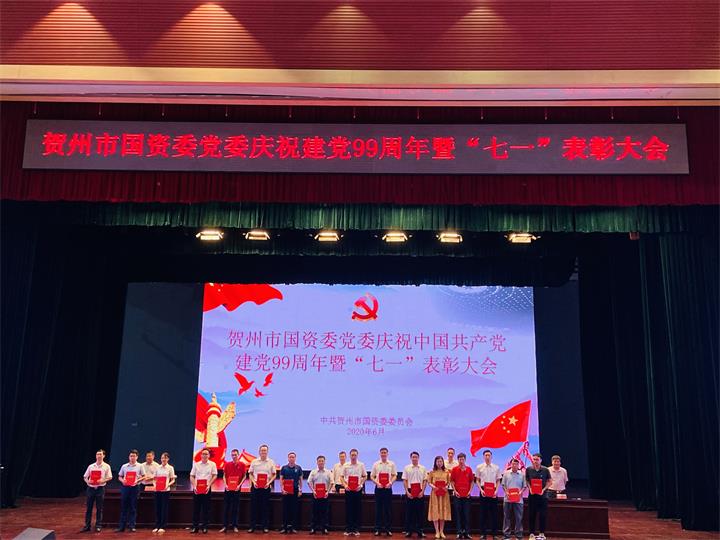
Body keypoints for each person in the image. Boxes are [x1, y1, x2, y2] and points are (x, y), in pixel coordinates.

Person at [81, 449, 112, 533]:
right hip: (91, 489)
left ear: (104, 456)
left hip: (100, 489)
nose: (99, 456)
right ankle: (87, 526)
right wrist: (88, 481)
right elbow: (85, 477)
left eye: (100, 454)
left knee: (99, 508)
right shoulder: (91, 466)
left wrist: (103, 480)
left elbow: (110, 477)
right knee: (89, 508)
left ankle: (98, 525)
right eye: (97, 454)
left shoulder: (106, 466)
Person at [248, 444, 277, 533]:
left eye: (265, 450)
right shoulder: (254, 461)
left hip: (266, 487)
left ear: (267, 452)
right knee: (254, 507)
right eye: (262, 450)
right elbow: (250, 473)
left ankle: (265, 526)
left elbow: (274, 474)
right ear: (259, 452)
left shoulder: (271, 462)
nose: (263, 452)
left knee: (265, 507)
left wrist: (268, 483)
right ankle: (252, 527)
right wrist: (254, 482)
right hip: (255, 487)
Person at [116, 449, 146, 533]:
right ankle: (121, 527)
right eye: (131, 456)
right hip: (125, 488)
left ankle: (132, 526)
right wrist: (123, 481)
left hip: (135, 488)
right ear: (129, 457)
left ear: (137, 457)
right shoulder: (124, 466)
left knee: (133, 507)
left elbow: (144, 476)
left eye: (134, 456)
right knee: (124, 507)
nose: (132, 457)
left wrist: (137, 480)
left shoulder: (140, 466)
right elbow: (119, 476)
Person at [475, 450, 501, 540]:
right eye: (486, 455)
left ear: (491, 456)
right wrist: (481, 490)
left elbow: (498, 480)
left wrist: (496, 491)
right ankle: (483, 534)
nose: (487, 457)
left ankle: (494, 534)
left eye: (489, 455)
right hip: (483, 491)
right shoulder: (479, 467)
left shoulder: (496, 467)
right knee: (483, 514)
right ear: (483, 457)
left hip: (493, 491)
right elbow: (477, 480)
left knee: (494, 514)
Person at [190, 448, 218, 534]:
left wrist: (209, 484)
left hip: (206, 489)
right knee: (196, 508)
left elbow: (215, 475)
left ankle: (204, 527)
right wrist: (194, 486)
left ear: (209, 455)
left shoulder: (212, 464)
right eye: (203, 454)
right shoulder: (196, 464)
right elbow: (191, 476)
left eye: (206, 454)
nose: (204, 455)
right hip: (197, 489)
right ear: (201, 455)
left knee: (206, 509)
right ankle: (195, 527)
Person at [371, 447, 397, 537]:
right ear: (380, 454)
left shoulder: (391, 464)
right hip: (378, 488)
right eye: (382, 452)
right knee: (378, 509)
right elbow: (372, 476)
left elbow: (395, 475)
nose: (383, 454)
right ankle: (378, 529)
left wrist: (390, 483)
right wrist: (377, 483)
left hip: (388, 488)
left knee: (387, 509)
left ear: (387, 454)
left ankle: (388, 529)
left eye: (385, 452)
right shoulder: (376, 464)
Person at [525, 454, 552, 540]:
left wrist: (543, 490)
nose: (535, 461)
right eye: (534, 459)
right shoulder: (529, 469)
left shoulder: (545, 470)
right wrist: (530, 488)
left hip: (542, 496)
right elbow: (527, 480)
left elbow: (550, 481)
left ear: (540, 460)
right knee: (531, 515)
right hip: (532, 496)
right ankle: (531, 533)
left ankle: (542, 533)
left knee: (542, 515)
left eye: (537, 459)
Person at [220, 448, 247, 533]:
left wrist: (239, 485)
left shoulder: (242, 465)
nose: (234, 456)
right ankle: (225, 526)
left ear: (238, 455)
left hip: (237, 489)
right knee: (226, 508)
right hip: (228, 489)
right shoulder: (227, 464)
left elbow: (244, 476)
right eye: (232, 455)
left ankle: (235, 526)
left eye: (235, 455)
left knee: (235, 508)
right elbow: (224, 475)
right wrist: (225, 485)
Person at [342, 448, 366, 536]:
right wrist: (345, 485)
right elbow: (341, 477)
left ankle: (356, 529)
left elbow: (365, 476)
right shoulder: (346, 465)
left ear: (357, 455)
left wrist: (361, 485)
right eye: (352, 455)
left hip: (357, 490)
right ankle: (348, 529)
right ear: (350, 456)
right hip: (348, 490)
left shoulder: (361, 465)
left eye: (355, 455)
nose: (353, 456)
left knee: (357, 509)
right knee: (348, 509)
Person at [403, 452, 427, 539]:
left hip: (420, 492)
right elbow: (405, 480)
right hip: (410, 491)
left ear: (418, 458)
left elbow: (425, 480)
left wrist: (422, 491)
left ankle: (420, 531)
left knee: (420, 512)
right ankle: (409, 531)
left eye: (416, 457)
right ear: (411, 458)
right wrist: (407, 492)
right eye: (413, 457)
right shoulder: (407, 468)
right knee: (409, 512)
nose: (414, 458)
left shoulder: (423, 468)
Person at [501, 459, 526, 540]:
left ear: (518, 465)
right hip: (507, 499)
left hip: (519, 500)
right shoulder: (506, 473)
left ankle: (518, 535)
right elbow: (503, 485)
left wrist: (520, 492)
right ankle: (506, 536)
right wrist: (506, 492)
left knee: (519, 518)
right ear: (510, 465)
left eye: (516, 464)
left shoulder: (522, 474)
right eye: (513, 464)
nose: (514, 465)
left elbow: (524, 486)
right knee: (507, 517)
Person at [449, 453, 474, 539]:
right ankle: (459, 532)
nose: (461, 461)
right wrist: (455, 491)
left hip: (467, 496)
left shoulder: (469, 469)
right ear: (458, 460)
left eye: (463, 459)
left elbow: (472, 481)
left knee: (467, 514)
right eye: (460, 459)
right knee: (458, 514)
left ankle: (467, 532)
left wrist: (470, 491)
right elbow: (452, 481)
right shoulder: (454, 469)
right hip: (457, 495)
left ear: (465, 460)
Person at [308, 455, 333, 535]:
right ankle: (313, 528)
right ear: (317, 462)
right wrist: (313, 491)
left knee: (324, 512)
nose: (321, 462)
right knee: (314, 512)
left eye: (322, 461)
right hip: (315, 494)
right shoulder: (313, 472)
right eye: (319, 461)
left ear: (324, 462)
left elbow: (332, 482)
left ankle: (324, 528)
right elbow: (309, 482)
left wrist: (328, 492)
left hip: (325, 494)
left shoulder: (328, 472)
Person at [427, 456, 451, 540]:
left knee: (442, 511)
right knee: (435, 511)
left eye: (441, 461)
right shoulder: (432, 472)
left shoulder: (446, 472)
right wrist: (434, 487)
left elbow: (449, 482)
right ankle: (437, 531)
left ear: (443, 462)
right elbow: (429, 482)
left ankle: (441, 531)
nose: (439, 463)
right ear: (435, 462)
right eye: (438, 461)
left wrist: (446, 486)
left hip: (444, 494)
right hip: (435, 493)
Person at [152, 452, 176, 534]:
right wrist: (155, 485)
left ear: (168, 459)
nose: (163, 459)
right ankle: (157, 526)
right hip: (157, 490)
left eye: (165, 458)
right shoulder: (157, 467)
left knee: (164, 508)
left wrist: (167, 485)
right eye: (162, 458)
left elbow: (173, 480)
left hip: (165, 490)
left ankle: (162, 526)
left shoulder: (170, 468)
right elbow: (154, 479)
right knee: (157, 508)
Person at [280, 452, 304, 534]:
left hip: (295, 490)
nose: (291, 458)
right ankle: (284, 527)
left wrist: (300, 490)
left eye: (293, 457)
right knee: (285, 509)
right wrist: (282, 489)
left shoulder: (298, 468)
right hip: (286, 491)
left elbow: (301, 480)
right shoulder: (284, 468)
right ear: (288, 458)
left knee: (294, 509)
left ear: (295, 458)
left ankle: (293, 527)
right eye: (290, 457)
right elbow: (281, 479)